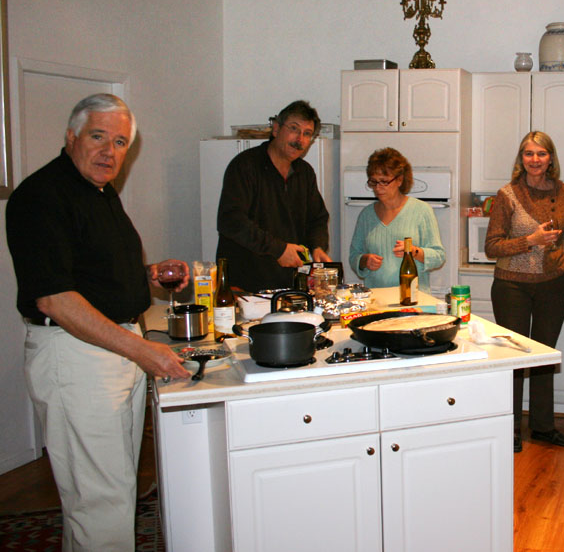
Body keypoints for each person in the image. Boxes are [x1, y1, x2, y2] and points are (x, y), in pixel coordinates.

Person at [5, 94, 192, 551]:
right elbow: (56, 299)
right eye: (98, 137)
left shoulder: (100, 193)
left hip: (112, 350)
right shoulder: (41, 196)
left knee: (110, 493)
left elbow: (88, 272)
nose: (110, 151)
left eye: (121, 142)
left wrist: (146, 274)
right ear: (71, 136)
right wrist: (143, 350)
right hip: (77, 355)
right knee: (100, 502)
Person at [485, 132, 564, 453]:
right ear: (521, 158)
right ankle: (509, 427)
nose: (535, 159)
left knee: (543, 356)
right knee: (514, 358)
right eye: (529, 153)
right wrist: (531, 241)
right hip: (512, 286)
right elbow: (492, 246)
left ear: (551, 158)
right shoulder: (507, 194)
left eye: (541, 153)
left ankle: (543, 427)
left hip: (553, 285)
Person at [216, 100, 332, 292]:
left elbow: (317, 218)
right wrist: (278, 249)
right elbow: (231, 221)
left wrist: (317, 247)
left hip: (288, 283)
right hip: (244, 285)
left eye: (307, 134)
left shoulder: (305, 172)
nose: (300, 139)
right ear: (276, 129)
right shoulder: (245, 166)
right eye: (294, 129)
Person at [349, 148, 445, 290]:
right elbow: (354, 256)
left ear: (399, 180)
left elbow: (439, 256)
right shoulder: (366, 215)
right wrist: (364, 261)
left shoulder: (421, 211)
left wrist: (413, 251)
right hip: (376, 296)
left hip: (412, 296)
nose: (378, 188)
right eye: (374, 182)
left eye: (384, 181)